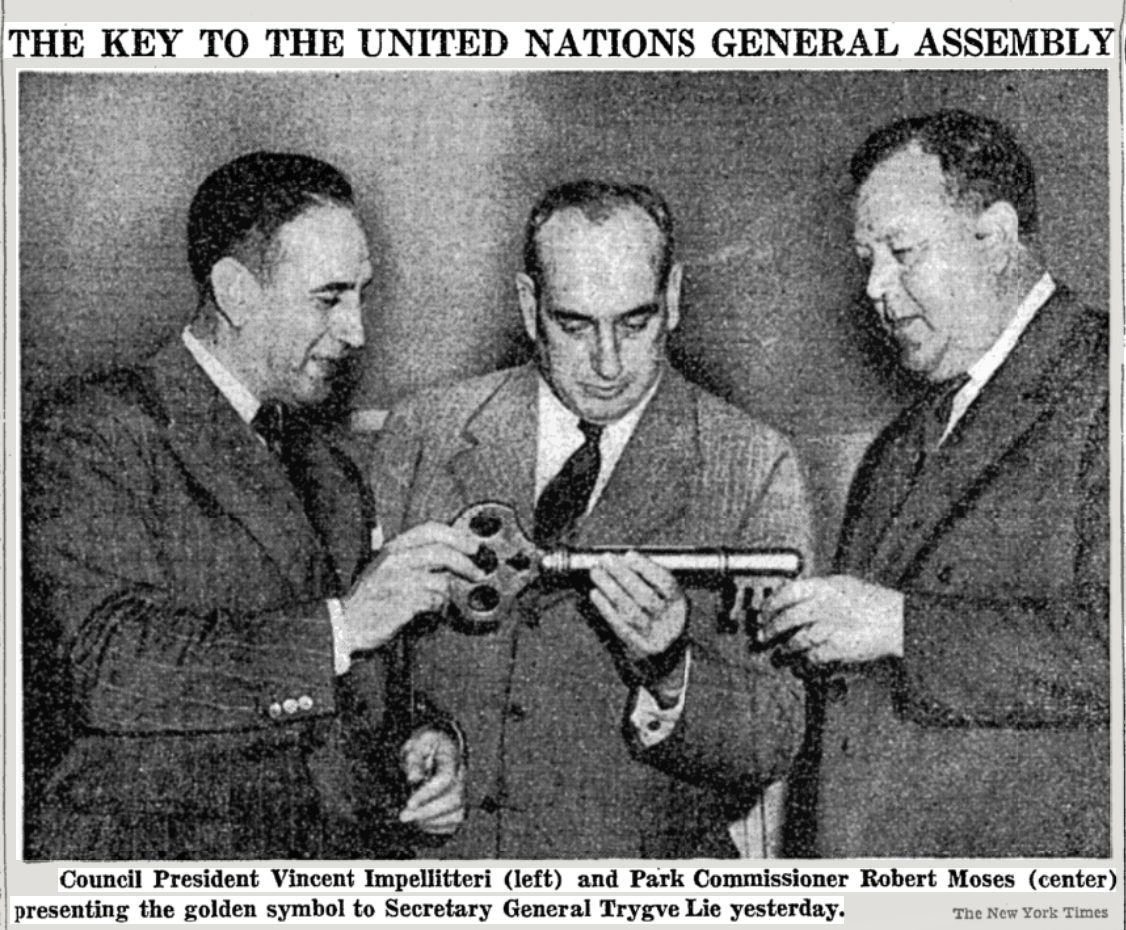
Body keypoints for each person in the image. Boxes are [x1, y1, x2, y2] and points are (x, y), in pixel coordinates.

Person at [22, 152, 485, 860]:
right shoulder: (96, 430)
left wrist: (420, 740)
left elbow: (352, 679)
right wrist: (346, 624)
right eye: (329, 299)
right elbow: (107, 665)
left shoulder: (327, 467)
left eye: (360, 294)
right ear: (235, 292)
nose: (357, 330)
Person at [370, 180, 814, 858]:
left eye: (634, 323)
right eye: (574, 325)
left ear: (672, 299)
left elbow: (773, 739)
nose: (607, 364)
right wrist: (416, 737)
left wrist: (671, 670)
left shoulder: (752, 462)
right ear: (529, 306)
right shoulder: (423, 432)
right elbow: (364, 667)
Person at [761, 110, 1110, 857]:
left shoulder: (1104, 385)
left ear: (994, 238)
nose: (876, 289)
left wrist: (899, 626)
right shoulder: (897, 446)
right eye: (867, 260)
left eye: (901, 251)